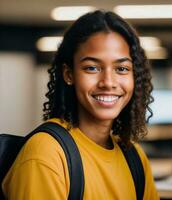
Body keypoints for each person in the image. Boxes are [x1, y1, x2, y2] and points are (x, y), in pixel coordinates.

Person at [2, 10, 159, 199]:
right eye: (92, 68)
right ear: (69, 74)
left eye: (122, 69)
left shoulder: (135, 158)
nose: (108, 82)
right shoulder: (47, 154)